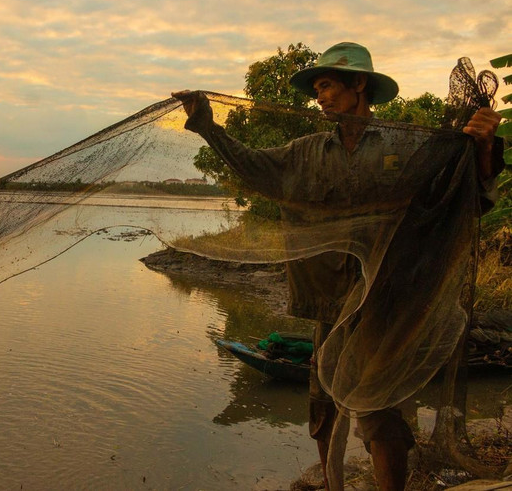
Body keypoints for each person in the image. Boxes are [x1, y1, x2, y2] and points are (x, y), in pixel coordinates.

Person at [173, 42, 502, 490]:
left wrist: (481, 152)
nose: (320, 97)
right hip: (329, 300)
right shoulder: (306, 152)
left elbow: (461, 200)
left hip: (387, 302)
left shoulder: (407, 145)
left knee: (380, 413)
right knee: (324, 407)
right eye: (318, 89)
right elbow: (254, 167)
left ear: (359, 85)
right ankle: (332, 485)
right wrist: (207, 127)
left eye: (327, 86)